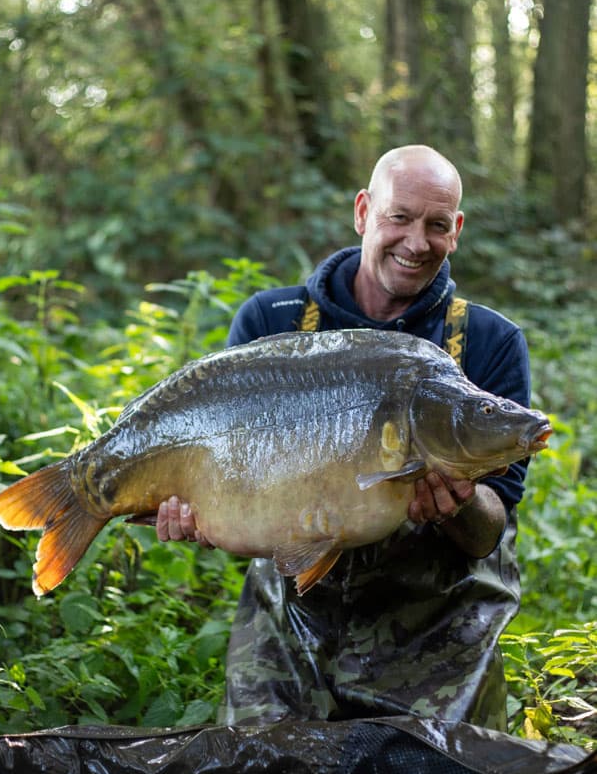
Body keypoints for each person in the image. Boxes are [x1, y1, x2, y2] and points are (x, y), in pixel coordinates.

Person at [156, 144, 531, 730]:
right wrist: (193, 511)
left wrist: (456, 506)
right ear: (363, 212)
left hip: (437, 628)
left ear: (455, 231)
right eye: (398, 217)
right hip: (293, 614)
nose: (416, 241)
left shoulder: (489, 341)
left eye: (436, 225)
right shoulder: (271, 322)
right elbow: (225, 479)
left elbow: (490, 530)